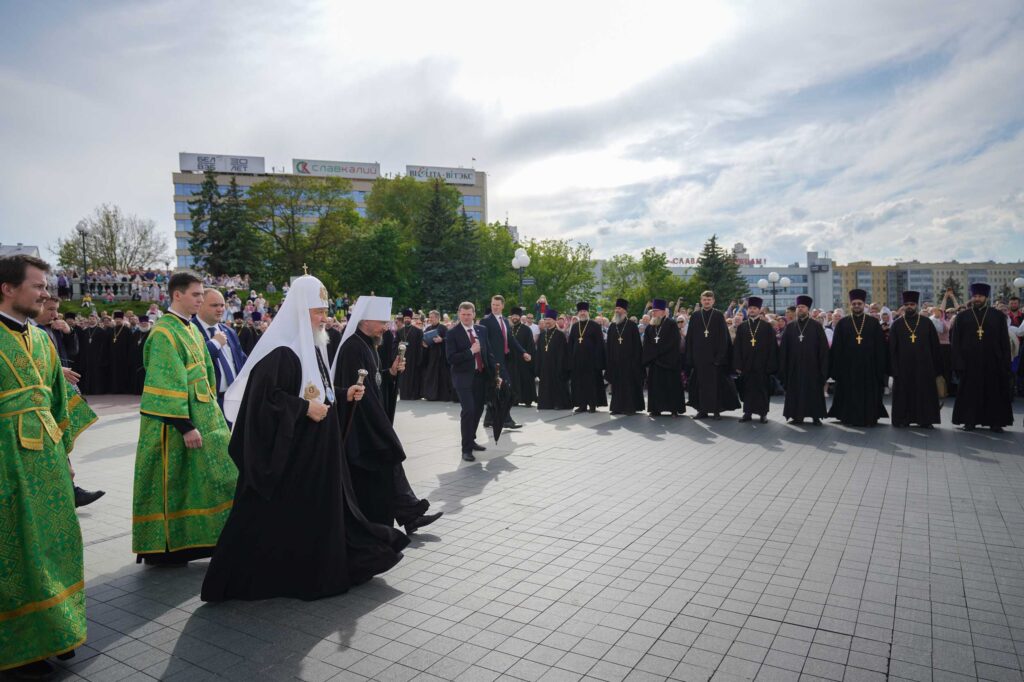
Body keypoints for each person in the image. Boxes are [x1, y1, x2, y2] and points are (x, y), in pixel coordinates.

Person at [202, 276, 407, 602]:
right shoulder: (280, 353)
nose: (324, 318)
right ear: (300, 311)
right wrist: (303, 409)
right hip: (293, 459)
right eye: (317, 312)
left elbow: (316, 390)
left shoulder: (311, 346)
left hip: (316, 454)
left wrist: (343, 394)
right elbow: (263, 404)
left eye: (325, 311)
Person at [0, 255, 86, 677]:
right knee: (15, 552)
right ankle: (18, 648)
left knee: (53, 546)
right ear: (8, 288)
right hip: (6, 466)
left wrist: (64, 456)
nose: (45, 294)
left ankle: (55, 630)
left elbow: (56, 402)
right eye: (37, 286)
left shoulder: (41, 338)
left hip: (47, 463)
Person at [133, 272, 238, 566]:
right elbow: (165, 380)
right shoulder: (164, 332)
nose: (201, 300)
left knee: (218, 476)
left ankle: (212, 539)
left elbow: (206, 374)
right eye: (196, 294)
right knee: (175, 482)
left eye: (202, 294)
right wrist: (185, 426)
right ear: (177, 295)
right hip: (176, 424)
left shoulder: (190, 328)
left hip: (206, 416)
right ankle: (170, 547)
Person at [332, 296, 441, 532]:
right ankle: (404, 517)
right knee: (387, 463)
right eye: (382, 322)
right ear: (365, 321)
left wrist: (390, 373)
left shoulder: (368, 344)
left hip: (372, 419)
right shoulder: (352, 348)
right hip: (362, 424)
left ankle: (409, 515)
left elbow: (374, 381)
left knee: (389, 466)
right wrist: (381, 425)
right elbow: (358, 390)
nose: (386, 327)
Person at [951, 283, 1013, 432]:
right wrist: (958, 362)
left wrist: (1005, 362)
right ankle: (969, 421)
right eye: (975, 296)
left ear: (986, 297)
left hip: (993, 362)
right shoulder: (962, 316)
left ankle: (995, 422)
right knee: (969, 393)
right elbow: (956, 342)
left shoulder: (998, 316)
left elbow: (1004, 341)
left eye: (980, 296)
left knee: (994, 393)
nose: (977, 299)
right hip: (969, 363)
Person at [827, 289, 889, 426]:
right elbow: (836, 348)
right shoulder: (843, 323)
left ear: (864, 305)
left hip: (869, 367)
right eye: (854, 303)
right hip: (848, 367)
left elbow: (880, 347)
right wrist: (836, 368)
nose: (856, 306)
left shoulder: (873, 323)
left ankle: (869, 417)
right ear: (850, 305)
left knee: (868, 392)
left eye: (859, 303)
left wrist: (880, 367)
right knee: (849, 392)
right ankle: (848, 416)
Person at [447, 301, 496, 461]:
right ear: (459, 314)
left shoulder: (482, 330)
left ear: (474, 314)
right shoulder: (453, 333)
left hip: (481, 376)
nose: (466, 317)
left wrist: (496, 374)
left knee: (478, 410)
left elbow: (488, 353)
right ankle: (466, 449)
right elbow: (451, 358)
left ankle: (471, 439)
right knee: (468, 411)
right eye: (463, 314)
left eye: (469, 314)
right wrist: (470, 351)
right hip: (463, 378)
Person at [889, 291, 942, 428]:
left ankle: (926, 420)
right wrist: (893, 368)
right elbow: (892, 349)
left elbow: (935, 346)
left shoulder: (927, 323)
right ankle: (903, 419)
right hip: (903, 367)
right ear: (903, 306)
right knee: (904, 393)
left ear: (916, 305)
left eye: (912, 304)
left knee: (924, 393)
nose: (909, 307)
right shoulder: (896, 324)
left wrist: (936, 367)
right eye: (906, 304)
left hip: (924, 366)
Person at [685, 290, 740, 420]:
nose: (707, 302)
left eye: (709, 300)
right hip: (699, 359)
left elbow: (723, 338)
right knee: (700, 386)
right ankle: (702, 410)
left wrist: (720, 357)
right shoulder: (695, 316)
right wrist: (690, 357)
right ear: (701, 301)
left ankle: (716, 411)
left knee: (716, 386)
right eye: (704, 299)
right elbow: (690, 338)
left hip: (715, 359)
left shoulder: (718, 315)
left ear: (713, 301)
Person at [194, 288, 248, 414]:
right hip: (207, 403)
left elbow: (241, 361)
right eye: (214, 305)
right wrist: (214, 344)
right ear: (200, 305)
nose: (220, 309)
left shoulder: (229, 332)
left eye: (222, 305)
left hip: (234, 399)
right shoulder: (189, 331)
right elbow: (193, 361)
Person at [779, 295, 829, 425]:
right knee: (795, 391)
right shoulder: (790, 327)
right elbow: (784, 348)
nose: (800, 309)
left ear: (808, 309)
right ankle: (797, 416)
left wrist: (822, 367)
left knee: (813, 391)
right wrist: (784, 366)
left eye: (803, 307)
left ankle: (816, 416)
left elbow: (823, 348)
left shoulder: (816, 326)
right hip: (794, 367)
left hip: (813, 366)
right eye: (798, 307)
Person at [481, 295, 530, 427]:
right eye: (493, 304)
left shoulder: (505, 321)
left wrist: (523, 352)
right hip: (493, 362)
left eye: (497, 305)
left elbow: (511, 340)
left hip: (504, 360)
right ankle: (506, 420)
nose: (495, 307)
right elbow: (483, 342)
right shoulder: (485, 321)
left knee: (497, 390)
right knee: (506, 389)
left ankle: (489, 419)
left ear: (502, 306)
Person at [732, 297, 778, 423]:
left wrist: (770, 365)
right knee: (747, 389)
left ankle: (763, 414)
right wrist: (738, 364)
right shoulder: (742, 327)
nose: (752, 310)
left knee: (762, 389)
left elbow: (772, 348)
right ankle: (747, 413)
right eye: (750, 308)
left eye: (754, 308)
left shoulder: (767, 327)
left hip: (762, 365)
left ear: (759, 310)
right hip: (746, 365)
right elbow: (737, 347)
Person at [641, 299, 685, 416]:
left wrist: (657, 353)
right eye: (653, 311)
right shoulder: (650, 327)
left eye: (656, 311)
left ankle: (673, 409)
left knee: (671, 386)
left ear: (663, 312)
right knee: (655, 387)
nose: (653, 313)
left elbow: (674, 342)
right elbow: (647, 345)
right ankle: (655, 409)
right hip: (655, 363)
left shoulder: (671, 324)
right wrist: (652, 357)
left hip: (669, 362)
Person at [605, 298, 644, 415]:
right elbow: (608, 346)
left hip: (629, 363)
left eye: (619, 308)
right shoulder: (612, 326)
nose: (617, 310)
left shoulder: (632, 326)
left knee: (629, 385)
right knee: (616, 385)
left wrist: (635, 362)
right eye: (616, 308)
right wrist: (609, 361)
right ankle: (616, 407)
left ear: (625, 311)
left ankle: (630, 407)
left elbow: (637, 346)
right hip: (615, 362)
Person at [567, 301, 606, 414]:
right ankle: (582, 405)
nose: (582, 313)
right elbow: (571, 344)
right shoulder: (575, 326)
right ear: (578, 313)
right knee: (579, 383)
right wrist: (570, 360)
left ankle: (592, 405)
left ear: (588, 312)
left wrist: (598, 361)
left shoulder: (594, 325)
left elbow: (600, 344)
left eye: (584, 311)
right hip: (577, 361)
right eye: (581, 311)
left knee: (591, 384)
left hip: (591, 361)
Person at [535, 309, 572, 410]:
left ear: (555, 320)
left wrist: (560, 366)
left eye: (549, 319)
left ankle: (558, 403)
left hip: (556, 365)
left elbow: (563, 353)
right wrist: (538, 366)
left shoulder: (560, 335)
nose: (547, 321)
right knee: (545, 384)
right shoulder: (542, 335)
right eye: (546, 319)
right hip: (544, 366)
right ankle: (546, 404)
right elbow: (538, 352)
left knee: (557, 384)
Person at [507, 306, 537, 407]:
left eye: (516, 316)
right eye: (513, 316)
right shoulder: (509, 329)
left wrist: (528, 356)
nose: (514, 317)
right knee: (513, 380)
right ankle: (515, 399)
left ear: (520, 317)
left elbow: (530, 345)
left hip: (523, 360)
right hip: (512, 360)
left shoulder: (526, 329)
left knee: (525, 379)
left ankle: (527, 399)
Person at [420, 310, 451, 402]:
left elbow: (449, 340)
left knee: (442, 376)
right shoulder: (428, 328)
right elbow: (424, 340)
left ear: (437, 318)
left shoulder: (443, 328)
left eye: (432, 317)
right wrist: (424, 344)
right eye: (429, 317)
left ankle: (443, 396)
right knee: (431, 375)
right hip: (431, 356)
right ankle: (431, 395)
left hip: (441, 356)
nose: (430, 319)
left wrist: (442, 340)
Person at [396, 308, 425, 401]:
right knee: (404, 377)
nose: (407, 320)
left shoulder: (418, 331)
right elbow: (395, 344)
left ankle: (414, 395)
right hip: (403, 357)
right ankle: (404, 395)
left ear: (411, 319)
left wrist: (419, 359)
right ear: (403, 319)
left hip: (414, 357)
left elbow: (420, 346)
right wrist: (398, 345)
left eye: (408, 318)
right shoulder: (399, 331)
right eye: (405, 318)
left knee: (414, 376)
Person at [130, 316, 151, 395]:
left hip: (147, 357)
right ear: (139, 324)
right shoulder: (136, 333)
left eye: (145, 323)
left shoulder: (151, 333)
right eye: (142, 323)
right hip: (137, 358)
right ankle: (137, 390)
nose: (143, 324)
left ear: (148, 323)